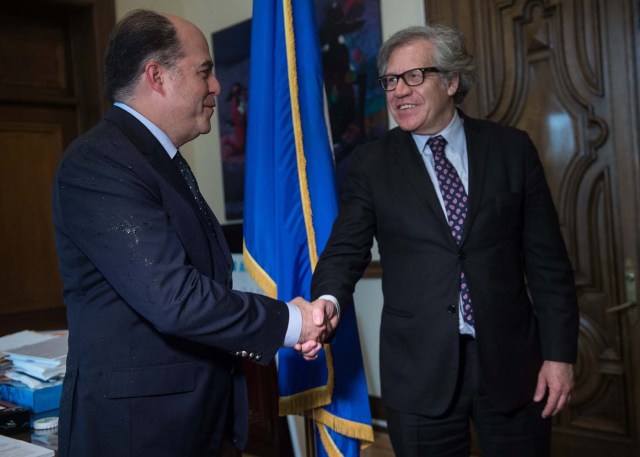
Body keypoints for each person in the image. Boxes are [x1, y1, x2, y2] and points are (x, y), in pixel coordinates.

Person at [51, 9, 328, 457]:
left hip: (197, 420)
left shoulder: (162, 161)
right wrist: (291, 323)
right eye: (204, 71)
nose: (216, 86)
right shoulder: (99, 163)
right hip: (139, 435)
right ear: (157, 76)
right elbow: (175, 299)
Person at [310, 24, 579, 457]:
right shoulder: (370, 164)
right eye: (390, 81)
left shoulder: (512, 149)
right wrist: (327, 300)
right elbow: (346, 249)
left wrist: (560, 356)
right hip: (419, 372)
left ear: (452, 81)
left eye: (414, 76)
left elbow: (549, 265)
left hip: (513, 367)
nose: (399, 91)